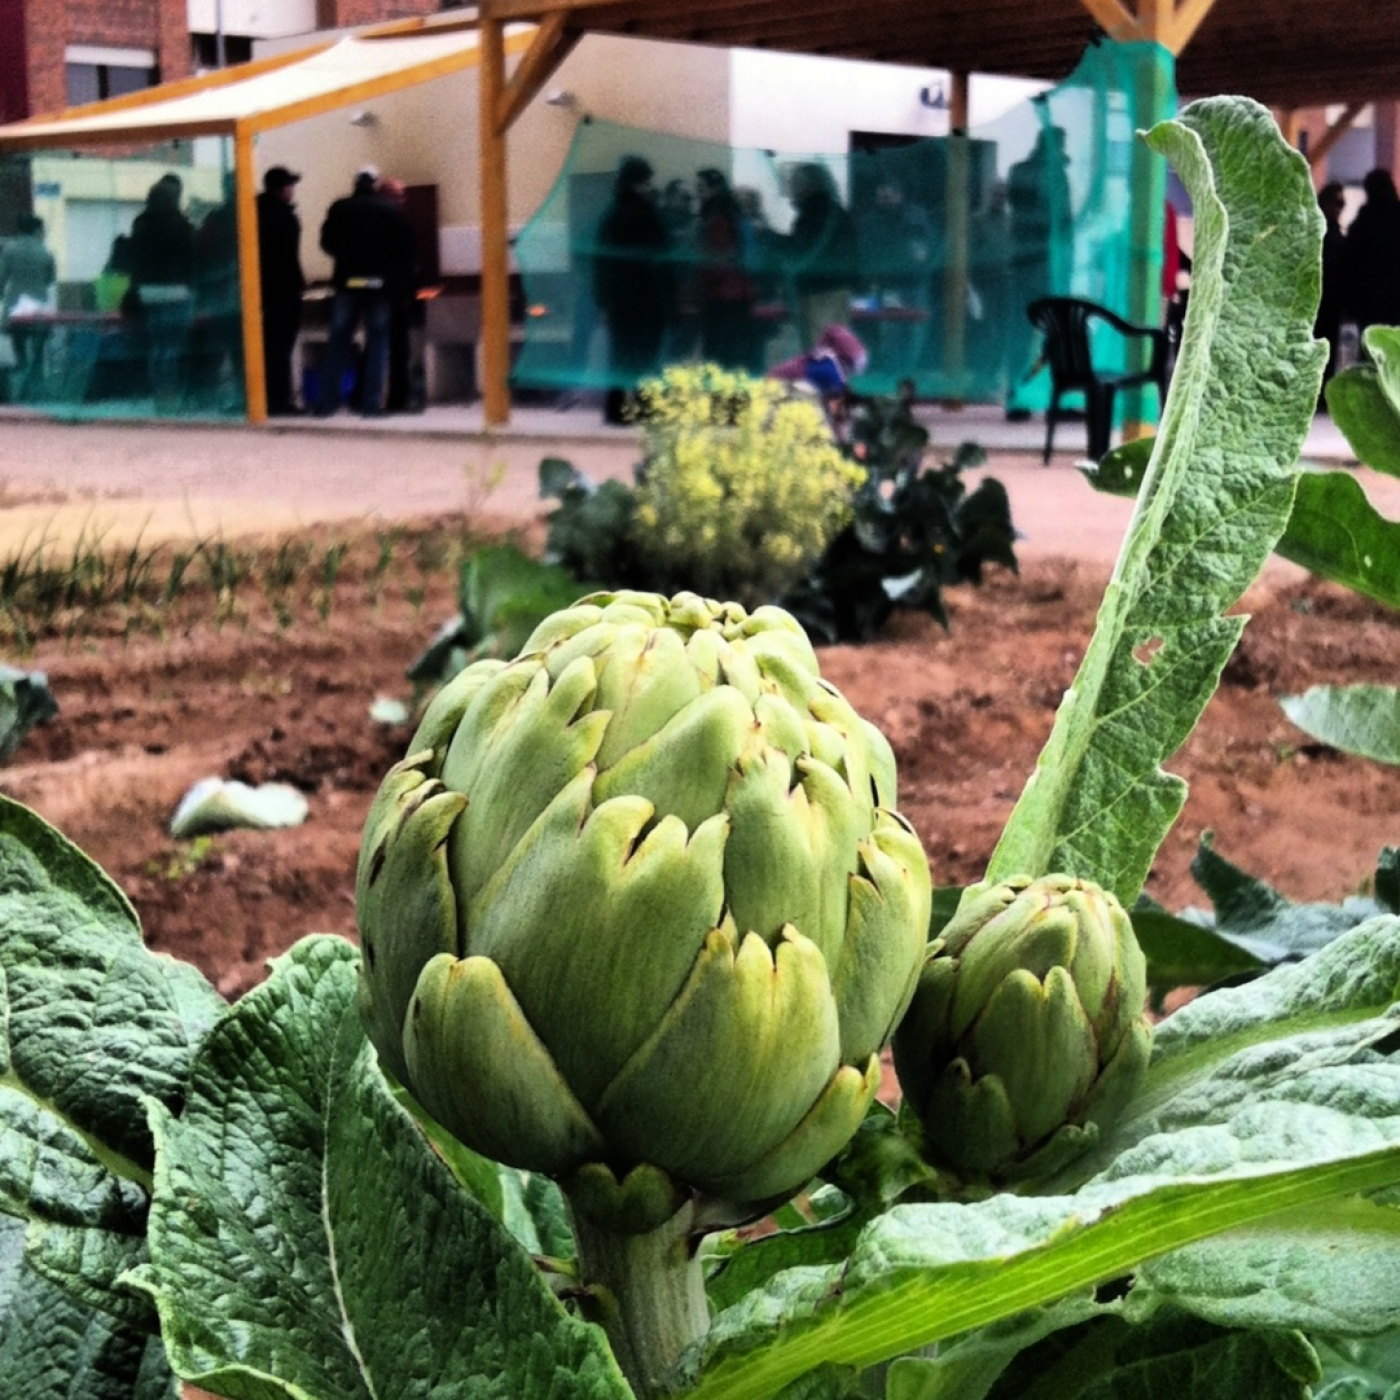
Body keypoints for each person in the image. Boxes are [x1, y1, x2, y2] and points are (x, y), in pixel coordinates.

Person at [315, 166, 414, 418]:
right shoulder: (391, 210)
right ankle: (371, 404)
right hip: (378, 285)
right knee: (378, 342)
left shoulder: (340, 208)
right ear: (375, 183)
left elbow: (327, 243)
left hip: (348, 283)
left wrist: (346, 258)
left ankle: (327, 402)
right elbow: (404, 250)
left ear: (356, 182)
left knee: (338, 340)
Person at [593, 155, 673, 424]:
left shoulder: (609, 214)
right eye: (648, 181)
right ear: (640, 183)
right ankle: (644, 407)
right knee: (645, 354)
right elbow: (662, 248)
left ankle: (615, 410)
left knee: (620, 354)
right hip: (645, 296)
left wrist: (602, 299)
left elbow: (600, 261)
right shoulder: (646, 213)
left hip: (617, 298)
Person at [1005, 122, 1073, 412]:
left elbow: (1064, 220)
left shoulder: (1050, 174)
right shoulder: (1034, 174)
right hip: (1032, 266)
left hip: (1039, 265)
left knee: (1046, 335)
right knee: (1030, 333)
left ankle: (1041, 396)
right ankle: (1022, 395)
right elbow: (1049, 220)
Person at [771, 162, 859, 353]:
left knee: (819, 344)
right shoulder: (836, 212)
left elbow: (802, 249)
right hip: (839, 286)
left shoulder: (814, 214)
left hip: (819, 290)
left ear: (809, 185)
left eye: (795, 183)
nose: (792, 189)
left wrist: (772, 240)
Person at [127, 174, 196, 410]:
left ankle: (159, 396)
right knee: (172, 348)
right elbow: (192, 259)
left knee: (157, 347)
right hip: (177, 291)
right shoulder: (181, 224)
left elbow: (134, 258)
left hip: (148, 292)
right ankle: (170, 397)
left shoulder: (140, 223)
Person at [693, 167, 758, 371]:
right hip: (740, 292)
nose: (698, 193)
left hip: (722, 295)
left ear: (715, 189)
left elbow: (718, 259)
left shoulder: (717, 218)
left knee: (718, 356)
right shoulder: (734, 215)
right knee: (734, 354)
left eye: (701, 188)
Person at [256, 166, 306, 416]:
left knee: (266, 349)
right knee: (281, 350)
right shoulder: (284, 217)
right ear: (282, 189)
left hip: (261, 292)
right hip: (284, 291)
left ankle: (264, 399)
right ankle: (279, 401)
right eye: (290, 186)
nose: (292, 190)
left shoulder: (253, 213)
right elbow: (286, 257)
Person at [376, 176, 422, 414]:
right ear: (391, 197)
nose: (404, 199)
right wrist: (409, 291)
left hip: (375, 290)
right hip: (396, 291)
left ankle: (368, 398)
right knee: (398, 347)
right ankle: (398, 398)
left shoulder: (371, 222)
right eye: (401, 195)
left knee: (376, 345)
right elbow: (406, 259)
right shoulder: (398, 220)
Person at [0, 213, 57, 397]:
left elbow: (1, 278)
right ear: (37, 230)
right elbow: (50, 279)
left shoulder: (9, 251)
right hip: (39, 309)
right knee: (39, 350)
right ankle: (37, 384)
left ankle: (22, 382)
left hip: (15, 308)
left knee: (20, 347)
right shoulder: (45, 253)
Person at [1344, 169, 1400, 347]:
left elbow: (1350, 262)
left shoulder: (1363, 222)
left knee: (1371, 346)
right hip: (1396, 296)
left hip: (1369, 299)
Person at [1315, 182, 1347, 389]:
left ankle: (1324, 387)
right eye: (1336, 203)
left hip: (1331, 299)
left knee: (1330, 345)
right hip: (1319, 298)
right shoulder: (1320, 232)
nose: (1338, 208)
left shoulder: (1335, 233)